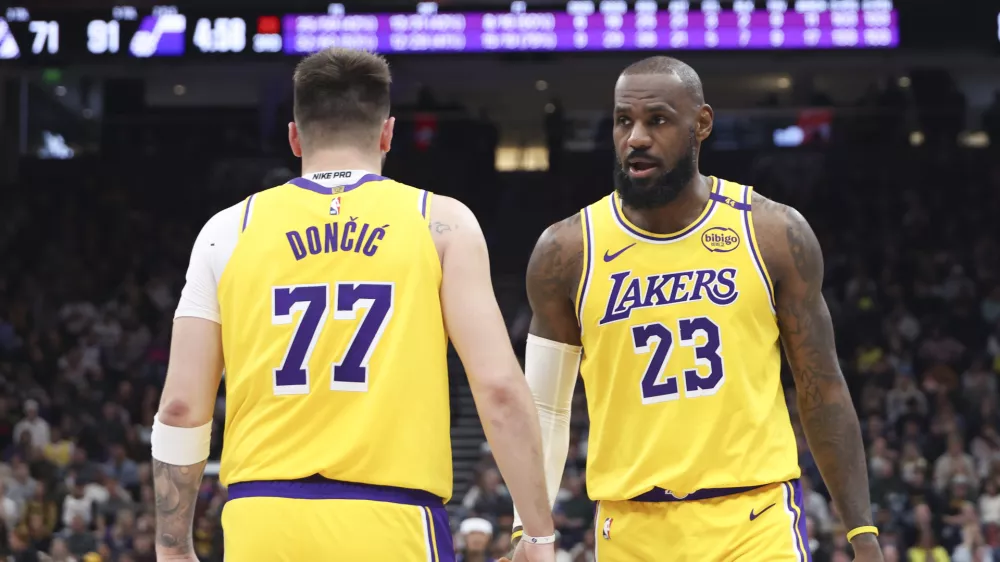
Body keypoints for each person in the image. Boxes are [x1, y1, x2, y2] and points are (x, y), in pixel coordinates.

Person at [151, 47, 555, 561]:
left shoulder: (226, 230)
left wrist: (173, 548)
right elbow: (498, 388)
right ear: (387, 133)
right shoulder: (441, 221)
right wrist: (537, 535)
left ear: (295, 136)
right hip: (395, 518)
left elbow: (181, 408)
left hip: (261, 520)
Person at [508, 56, 883, 561]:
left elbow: (823, 386)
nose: (636, 138)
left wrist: (862, 533)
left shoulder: (771, 233)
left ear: (700, 124)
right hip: (631, 527)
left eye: (657, 120)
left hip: (754, 522)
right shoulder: (566, 252)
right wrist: (526, 532)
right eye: (624, 121)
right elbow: (546, 409)